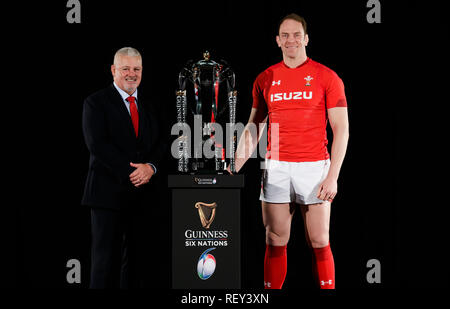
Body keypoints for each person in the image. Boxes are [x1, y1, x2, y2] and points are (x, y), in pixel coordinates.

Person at [230, 14, 349, 289]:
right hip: (276, 167)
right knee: (274, 239)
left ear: (306, 39)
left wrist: (333, 177)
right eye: (285, 35)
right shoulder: (265, 78)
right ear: (277, 41)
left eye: (296, 35)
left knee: (319, 240)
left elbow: (341, 130)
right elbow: (254, 126)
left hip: (314, 166)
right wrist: (234, 164)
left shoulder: (327, 77)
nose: (291, 40)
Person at [82, 47, 164, 288]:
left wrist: (150, 167)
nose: (131, 74)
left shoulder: (150, 105)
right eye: (125, 68)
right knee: (105, 265)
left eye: (136, 69)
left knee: (140, 267)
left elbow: (162, 143)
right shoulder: (95, 102)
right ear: (113, 70)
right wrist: (134, 172)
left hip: (143, 198)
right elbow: (97, 145)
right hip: (107, 196)